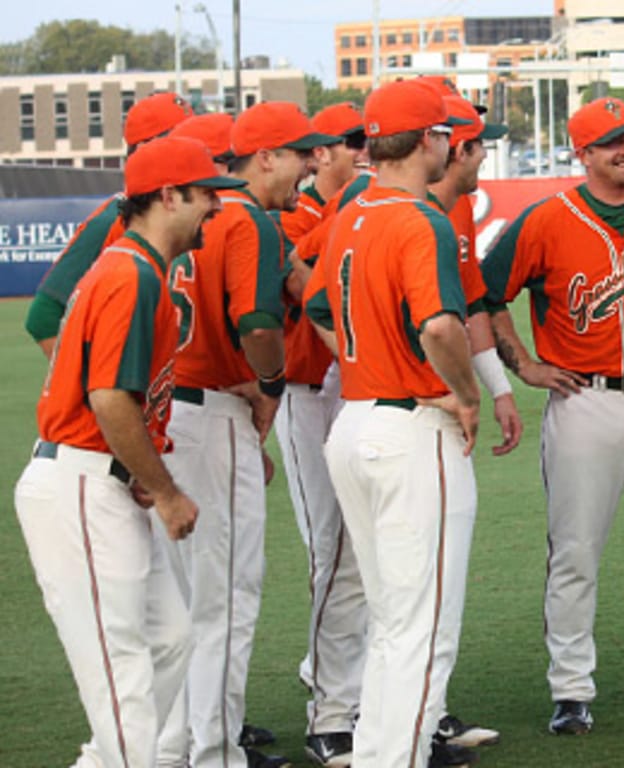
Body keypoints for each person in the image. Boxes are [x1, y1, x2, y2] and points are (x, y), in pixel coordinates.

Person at [479, 95, 624, 736]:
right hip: (585, 401)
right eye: (611, 142)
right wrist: (523, 365)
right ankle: (571, 689)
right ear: (584, 154)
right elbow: (489, 294)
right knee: (574, 552)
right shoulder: (546, 219)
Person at [15, 135, 233, 768]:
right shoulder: (129, 273)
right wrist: (165, 491)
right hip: (80, 484)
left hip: (100, 481)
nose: (215, 209)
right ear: (168, 196)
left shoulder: (132, 268)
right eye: (206, 196)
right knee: (123, 670)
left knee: (170, 639)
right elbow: (109, 398)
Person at [302, 78, 482, 768]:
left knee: (392, 621)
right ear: (431, 140)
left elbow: (318, 306)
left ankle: (378, 754)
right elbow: (439, 324)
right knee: (423, 628)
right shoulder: (420, 218)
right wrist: (462, 393)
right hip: (409, 429)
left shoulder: (353, 211)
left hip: (354, 421)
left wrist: (364, 359)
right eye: (446, 133)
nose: (451, 144)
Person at [163, 100, 328, 768]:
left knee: (177, 601)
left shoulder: (165, 220)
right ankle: (214, 753)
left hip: (163, 408)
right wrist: (271, 386)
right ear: (262, 158)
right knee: (226, 596)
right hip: (213, 414)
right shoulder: (244, 219)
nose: (310, 163)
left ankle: (174, 746)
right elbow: (258, 325)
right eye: (299, 153)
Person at [421, 90, 519, 757]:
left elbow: (473, 303)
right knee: (380, 577)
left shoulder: (451, 209)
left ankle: (424, 709)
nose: (487, 151)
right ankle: (346, 713)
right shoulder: (396, 214)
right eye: (480, 141)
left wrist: (497, 387)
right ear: (451, 146)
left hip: (424, 403)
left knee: (426, 578)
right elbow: (311, 302)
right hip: (394, 409)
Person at [272, 103, 370, 767]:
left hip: (358, 389)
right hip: (306, 392)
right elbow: (307, 291)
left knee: (362, 548)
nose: (362, 150)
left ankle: (358, 680)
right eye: (350, 142)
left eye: (369, 139)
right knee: (328, 547)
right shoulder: (288, 218)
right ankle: (326, 677)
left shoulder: (364, 208)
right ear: (323, 152)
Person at [26, 92, 193, 358]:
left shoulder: (190, 210)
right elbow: (43, 316)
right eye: (177, 141)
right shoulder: (114, 217)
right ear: (142, 150)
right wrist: (90, 386)